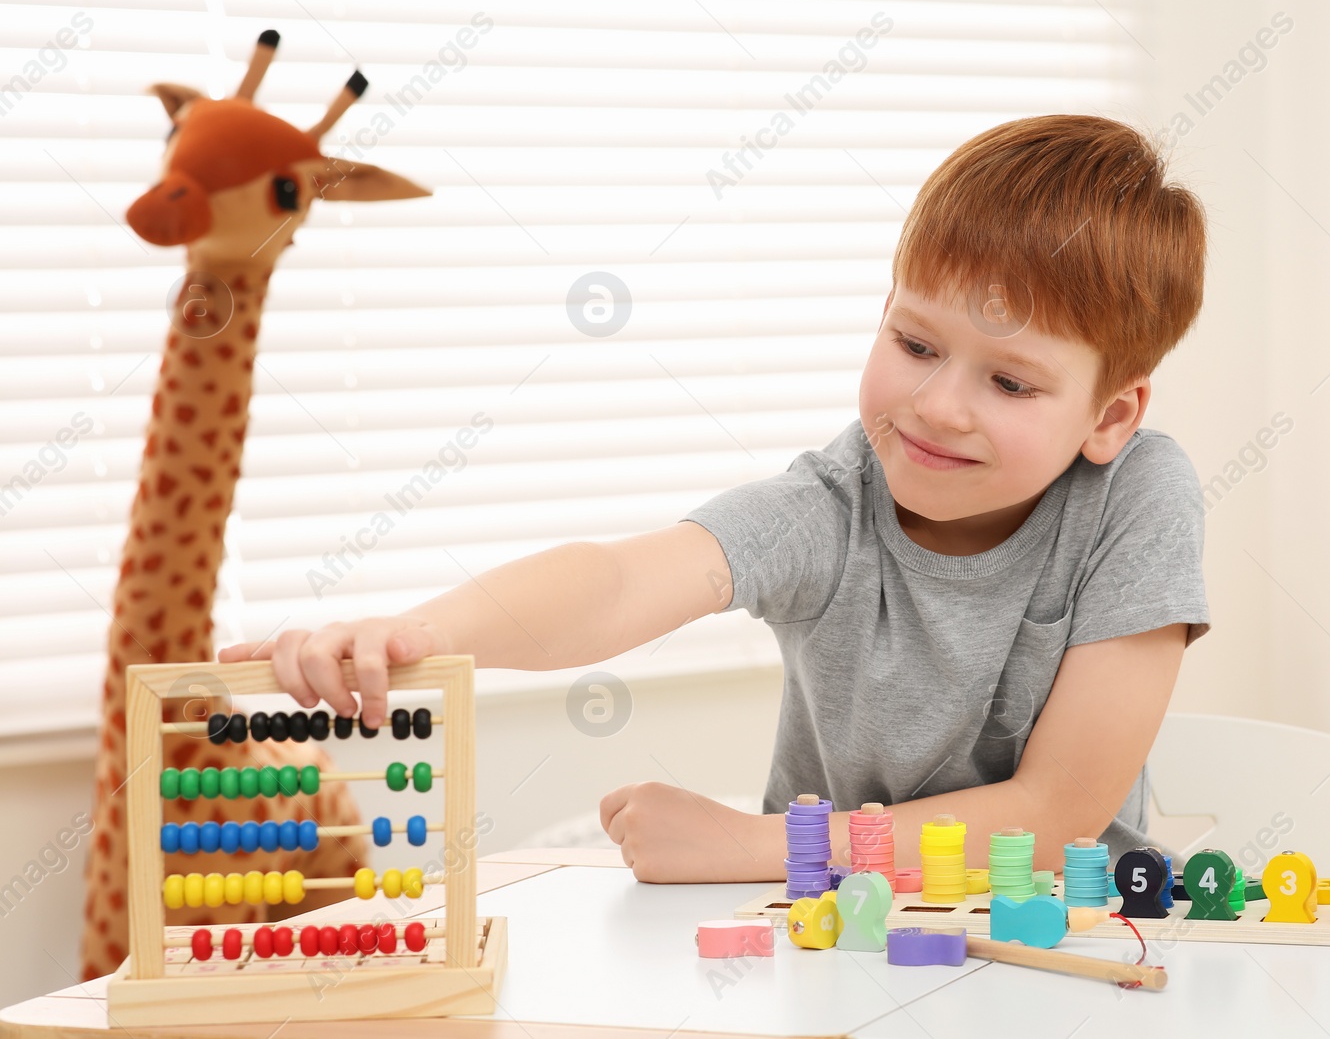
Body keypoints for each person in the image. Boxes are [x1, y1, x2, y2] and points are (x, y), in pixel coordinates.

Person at [221, 114, 1210, 883]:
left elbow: (1048, 820)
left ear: (1109, 415)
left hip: (1054, 940)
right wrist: (410, 632)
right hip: (826, 930)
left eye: (1009, 382)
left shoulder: (1135, 497)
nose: (937, 405)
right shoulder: (830, 505)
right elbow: (613, 581)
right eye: (914, 344)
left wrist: (760, 841)